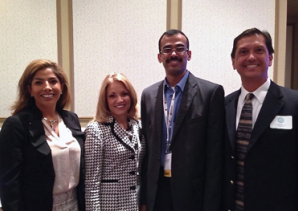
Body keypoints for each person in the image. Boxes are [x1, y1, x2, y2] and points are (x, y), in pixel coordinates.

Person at [140, 29, 225, 211]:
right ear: (159, 56)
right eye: (167, 49)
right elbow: (146, 151)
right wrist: (144, 197)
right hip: (157, 190)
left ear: (189, 54)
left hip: (193, 193)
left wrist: (211, 204)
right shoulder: (148, 95)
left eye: (180, 48)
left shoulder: (211, 93)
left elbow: (215, 157)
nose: (173, 54)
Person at [224, 28, 298, 211]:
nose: (250, 57)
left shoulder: (294, 103)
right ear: (233, 62)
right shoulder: (223, 105)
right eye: (243, 52)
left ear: (270, 58)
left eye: (259, 50)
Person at [0, 59, 85, 211]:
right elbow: (8, 184)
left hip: (75, 204)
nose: (47, 87)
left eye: (53, 81)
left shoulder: (71, 119)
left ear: (62, 87)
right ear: (29, 89)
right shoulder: (16, 125)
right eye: (39, 82)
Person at [84, 72, 145, 210]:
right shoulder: (96, 130)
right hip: (110, 206)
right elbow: (91, 183)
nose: (120, 100)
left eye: (124, 94)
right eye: (112, 95)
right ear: (105, 100)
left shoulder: (138, 126)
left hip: (135, 204)